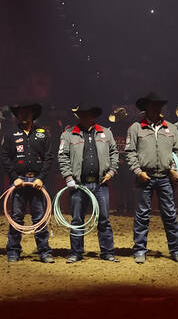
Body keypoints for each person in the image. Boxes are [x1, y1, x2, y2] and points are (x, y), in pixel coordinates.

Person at [125, 91, 178, 265]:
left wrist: (174, 169)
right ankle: (139, 250)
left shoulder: (171, 128)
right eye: (153, 105)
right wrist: (138, 171)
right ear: (146, 107)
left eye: (159, 105)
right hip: (144, 177)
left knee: (170, 214)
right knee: (142, 215)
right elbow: (130, 152)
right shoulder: (135, 128)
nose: (157, 108)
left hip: (165, 177)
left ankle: (176, 250)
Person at [57, 101, 118, 263]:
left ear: (93, 116)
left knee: (104, 218)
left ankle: (107, 252)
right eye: (83, 114)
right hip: (78, 184)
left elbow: (114, 154)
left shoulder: (106, 133)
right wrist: (68, 177)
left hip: (101, 183)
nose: (86, 116)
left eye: (89, 114)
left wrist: (111, 172)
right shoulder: (68, 134)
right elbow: (62, 157)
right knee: (77, 219)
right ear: (79, 116)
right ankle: (76, 253)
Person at [0, 100, 55, 264]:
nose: (24, 115)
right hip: (19, 181)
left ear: (32, 115)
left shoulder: (43, 133)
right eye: (21, 112)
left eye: (27, 112)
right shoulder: (10, 134)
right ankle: (13, 251)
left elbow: (49, 158)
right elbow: (5, 158)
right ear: (17, 115)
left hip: (37, 181)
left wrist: (41, 178)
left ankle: (44, 252)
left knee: (40, 218)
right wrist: (14, 177)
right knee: (16, 217)